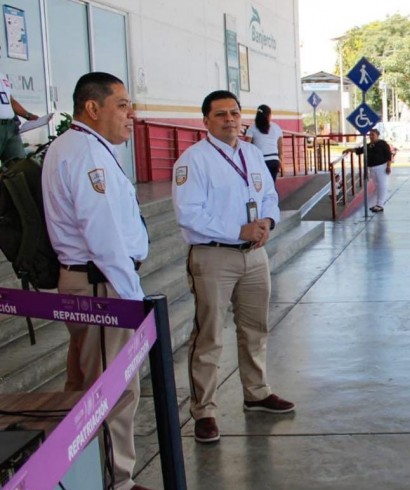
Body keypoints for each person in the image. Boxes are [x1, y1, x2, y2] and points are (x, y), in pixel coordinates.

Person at [42, 72, 151, 490]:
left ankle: (89, 478)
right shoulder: (86, 152)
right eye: (122, 105)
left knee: (86, 387)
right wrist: (133, 300)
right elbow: (104, 237)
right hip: (101, 285)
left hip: (92, 282)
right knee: (112, 393)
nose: (131, 114)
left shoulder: (82, 147)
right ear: (93, 108)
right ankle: (115, 482)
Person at [172, 90, 294, 445]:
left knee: (256, 328)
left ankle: (256, 392)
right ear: (206, 121)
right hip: (213, 256)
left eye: (235, 113)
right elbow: (189, 213)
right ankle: (204, 410)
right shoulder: (193, 160)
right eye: (221, 114)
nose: (230, 119)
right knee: (209, 335)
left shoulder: (253, 153)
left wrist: (267, 223)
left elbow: (269, 195)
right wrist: (236, 230)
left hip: (254, 255)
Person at [0, 48, 39, 164]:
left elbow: (10, 100)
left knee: (19, 167)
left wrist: (28, 115)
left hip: (10, 127)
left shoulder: (2, 76)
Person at [343, 127, 392, 212]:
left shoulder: (382, 144)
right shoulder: (368, 145)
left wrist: (388, 166)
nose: (371, 136)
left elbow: (388, 155)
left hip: (381, 167)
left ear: (377, 135)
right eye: (370, 135)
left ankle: (380, 204)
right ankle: (378, 203)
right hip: (372, 168)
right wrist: (349, 150)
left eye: (373, 135)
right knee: (377, 186)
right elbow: (359, 150)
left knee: (382, 185)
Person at [244, 104, 283, 182]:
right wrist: (280, 161)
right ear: (269, 115)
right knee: (272, 185)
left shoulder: (252, 128)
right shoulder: (276, 127)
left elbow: (246, 146)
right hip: (274, 161)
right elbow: (280, 147)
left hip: (260, 161)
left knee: (262, 187)